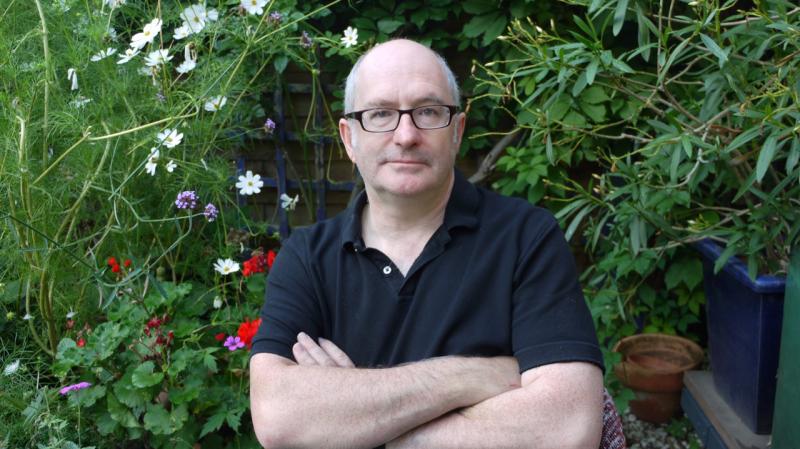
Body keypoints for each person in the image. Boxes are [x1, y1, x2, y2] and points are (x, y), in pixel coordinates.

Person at [249, 38, 605, 449]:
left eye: (428, 112)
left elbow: (567, 428)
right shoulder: (307, 257)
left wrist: (364, 423)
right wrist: (467, 378)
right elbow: (278, 416)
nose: (406, 135)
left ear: (457, 131)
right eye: (380, 114)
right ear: (349, 138)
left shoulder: (526, 237)